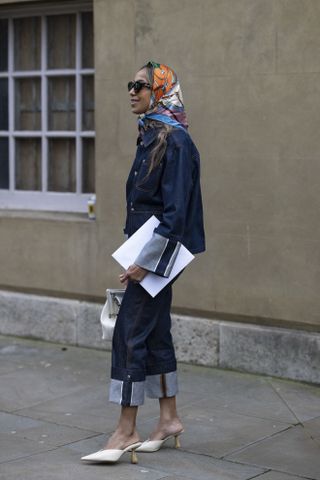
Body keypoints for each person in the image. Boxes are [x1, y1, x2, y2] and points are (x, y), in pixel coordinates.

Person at [81, 61, 205, 465]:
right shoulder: (153, 134)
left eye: (141, 85)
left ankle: (126, 429)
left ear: (161, 90)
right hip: (147, 252)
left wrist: (146, 263)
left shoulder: (176, 140)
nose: (132, 91)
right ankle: (168, 419)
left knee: (128, 333)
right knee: (153, 333)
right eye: (129, 84)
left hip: (160, 255)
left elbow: (176, 214)